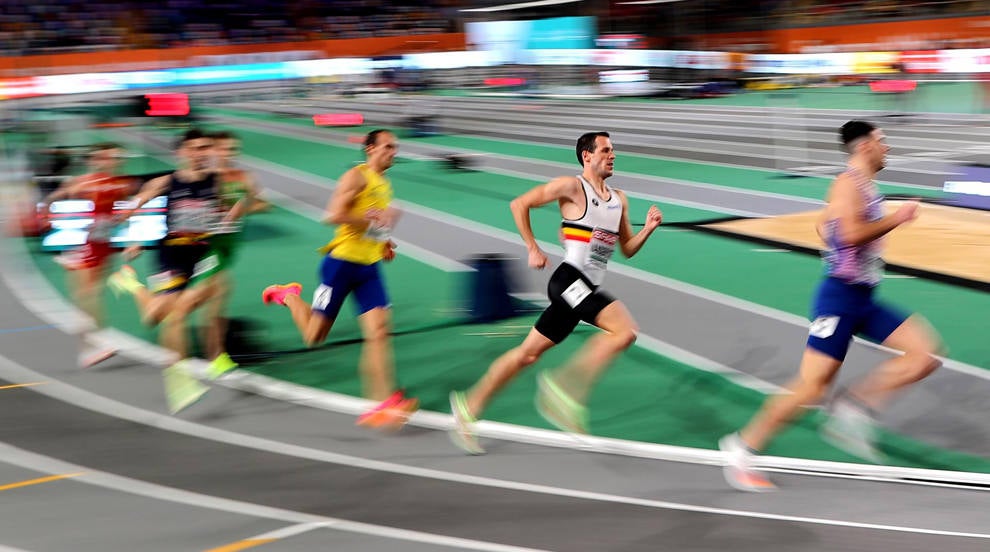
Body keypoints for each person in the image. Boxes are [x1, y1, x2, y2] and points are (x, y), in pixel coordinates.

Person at [719, 121, 943, 492]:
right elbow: (851, 234)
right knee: (810, 388)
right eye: (882, 141)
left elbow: (828, 229)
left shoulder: (865, 188)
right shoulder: (847, 183)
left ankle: (854, 405)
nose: (887, 147)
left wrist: (836, 234)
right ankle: (741, 448)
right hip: (839, 298)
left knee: (925, 355)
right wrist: (896, 219)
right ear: (865, 145)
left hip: (863, 297)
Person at [448, 131, 663, 455]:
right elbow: (520, 203)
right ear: (586, 156)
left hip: (586, 287)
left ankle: (467, 407)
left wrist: (647, 229)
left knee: (527, 355)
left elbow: (627, 249)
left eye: (613, 150)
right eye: (605, 150)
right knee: (625, 331)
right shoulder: (572, 187)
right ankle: (562, 388)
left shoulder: (620, 199)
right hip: (567, 281)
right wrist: (533, 248)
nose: (612, 155)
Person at [261, 129, 416, 429]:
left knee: (379, 333)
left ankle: (382, 402)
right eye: (387, 146)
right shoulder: (356, 177)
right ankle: (288, 295)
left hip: (369, 268)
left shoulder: (384, 184)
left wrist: (383, 242)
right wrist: (373, 221)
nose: (393, 151)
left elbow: (374, 223)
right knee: (313, 337)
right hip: (339, 266)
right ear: (370, 149)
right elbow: (333, 215)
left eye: (395, 147)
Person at [107, 128, 224, 414]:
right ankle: (179, 380)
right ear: (181, 152)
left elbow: (233, 210)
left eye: (205, 148)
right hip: (170, 254)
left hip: (202, 255)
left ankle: (130, 284)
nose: (201, 153)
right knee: (175, 313)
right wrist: (134, 238)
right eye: (195, 148)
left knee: (152, 318)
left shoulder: (218, 182)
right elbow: (132, 208)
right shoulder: (166, 182)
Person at [40, 143, 138, 368]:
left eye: (116, 157)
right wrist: (45, 213)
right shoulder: (87, 181)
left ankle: (89, 348)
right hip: (92, 243)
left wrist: (131, 239)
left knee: (90, 295)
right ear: (97, 159)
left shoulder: (119, 184)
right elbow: (54, 197)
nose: (113, 161)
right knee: (88, 295)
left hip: (103, 243)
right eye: (108, 157)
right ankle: (91, 346)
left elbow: (122, 215)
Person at [200, 130, 260, 379]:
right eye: (223, 149)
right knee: (220, 292)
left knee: (207, 299)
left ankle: (131, 284)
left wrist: (242, 206)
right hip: (206, 247)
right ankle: (215, 357)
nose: (228, 154)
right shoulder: (205, 179)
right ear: (213, 151)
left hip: (228, 248)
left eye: (232, 150)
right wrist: (216, 215)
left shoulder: (243, 177)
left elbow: (260, 202)